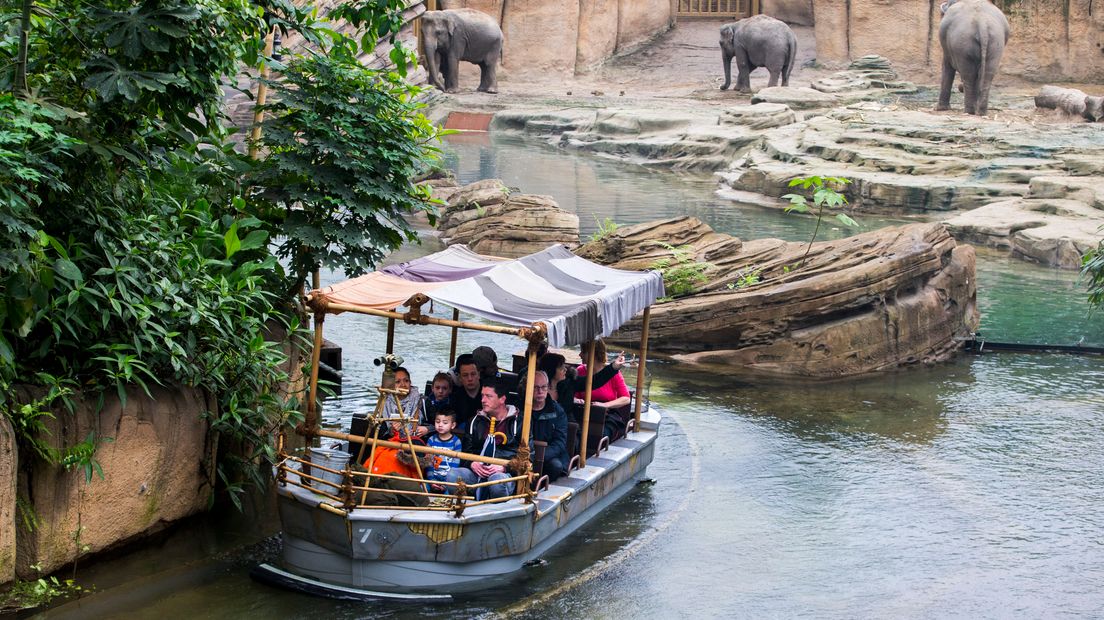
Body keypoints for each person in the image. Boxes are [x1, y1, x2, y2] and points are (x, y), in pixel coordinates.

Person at [457, 378, 522, 500]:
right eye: (482, 396)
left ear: (502, 399)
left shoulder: (519, 422)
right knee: (454, 475)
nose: (483, 400)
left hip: (504, 474)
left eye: (488, 396)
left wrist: (504, 467)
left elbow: (527, 457)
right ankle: (464, 507)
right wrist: (472, 463)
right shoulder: (475, 421)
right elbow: (466, 452)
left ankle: (498, 515)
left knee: (496, 481)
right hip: (477, 473)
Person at [529, 371, 568, 481]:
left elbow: (560, 442)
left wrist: (540, 456)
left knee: (556, 466)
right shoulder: (520, 408)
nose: (540, 391)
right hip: (524, 454)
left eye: (543, 387)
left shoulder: (557, 411)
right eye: (536, 387)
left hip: (549, 455)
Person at [383, 367, 427, 439]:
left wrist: (427, 429)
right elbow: (381, 432)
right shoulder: (385, 403)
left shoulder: (422, 401)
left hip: (414, 444)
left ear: (410, 383)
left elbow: (437, 424)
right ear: (391, 386)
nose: (403, 385)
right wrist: (392, 430)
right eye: (398, 382)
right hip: (393, 444)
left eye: (406, 381)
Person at [425, 409, 463, 492]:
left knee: (450, 495)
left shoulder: (456, 442)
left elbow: (455, 465)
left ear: (452, 425)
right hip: (432, 477)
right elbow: (428, 463)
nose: (440, 425)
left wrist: (446, 483)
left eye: (445, 423)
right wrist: (432, 481)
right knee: (422, 489)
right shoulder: (431, 440)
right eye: (437, 422)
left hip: (449, 479)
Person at [450, 353, 482, 427]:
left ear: (479, 375)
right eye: (465, 375)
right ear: (460, 378)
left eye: (473, 374)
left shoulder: (489, 394)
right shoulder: (455, 398)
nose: (470, 379)